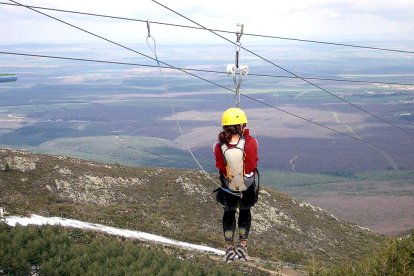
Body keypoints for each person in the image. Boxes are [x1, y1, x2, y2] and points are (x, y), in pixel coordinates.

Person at [213, 107, 259, 263]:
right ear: (241, 125)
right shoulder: (251, 142)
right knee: (245, 211)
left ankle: (228, 246)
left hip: (228, 188)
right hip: (247, 188)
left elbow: (220, 166)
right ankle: (243, 244)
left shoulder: (219, 146)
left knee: (229, 212)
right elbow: (252, 165)